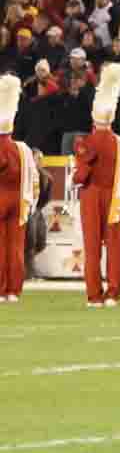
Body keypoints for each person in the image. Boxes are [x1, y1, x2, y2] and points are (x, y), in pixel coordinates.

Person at [71, 63, 120, 307]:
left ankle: (94, 295)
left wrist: (74, 176)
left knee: (93, 247)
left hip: (92, 196)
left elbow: (81, 176)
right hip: (115, 197)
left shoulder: (86, 142)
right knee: (115, 248)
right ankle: (113, 294)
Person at [0, 75, 31, 301]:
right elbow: (34, 179)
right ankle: (14, 290)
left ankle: (1, 288)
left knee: (1, 246)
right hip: (19, 201)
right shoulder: (23, 149)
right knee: (16, 246)